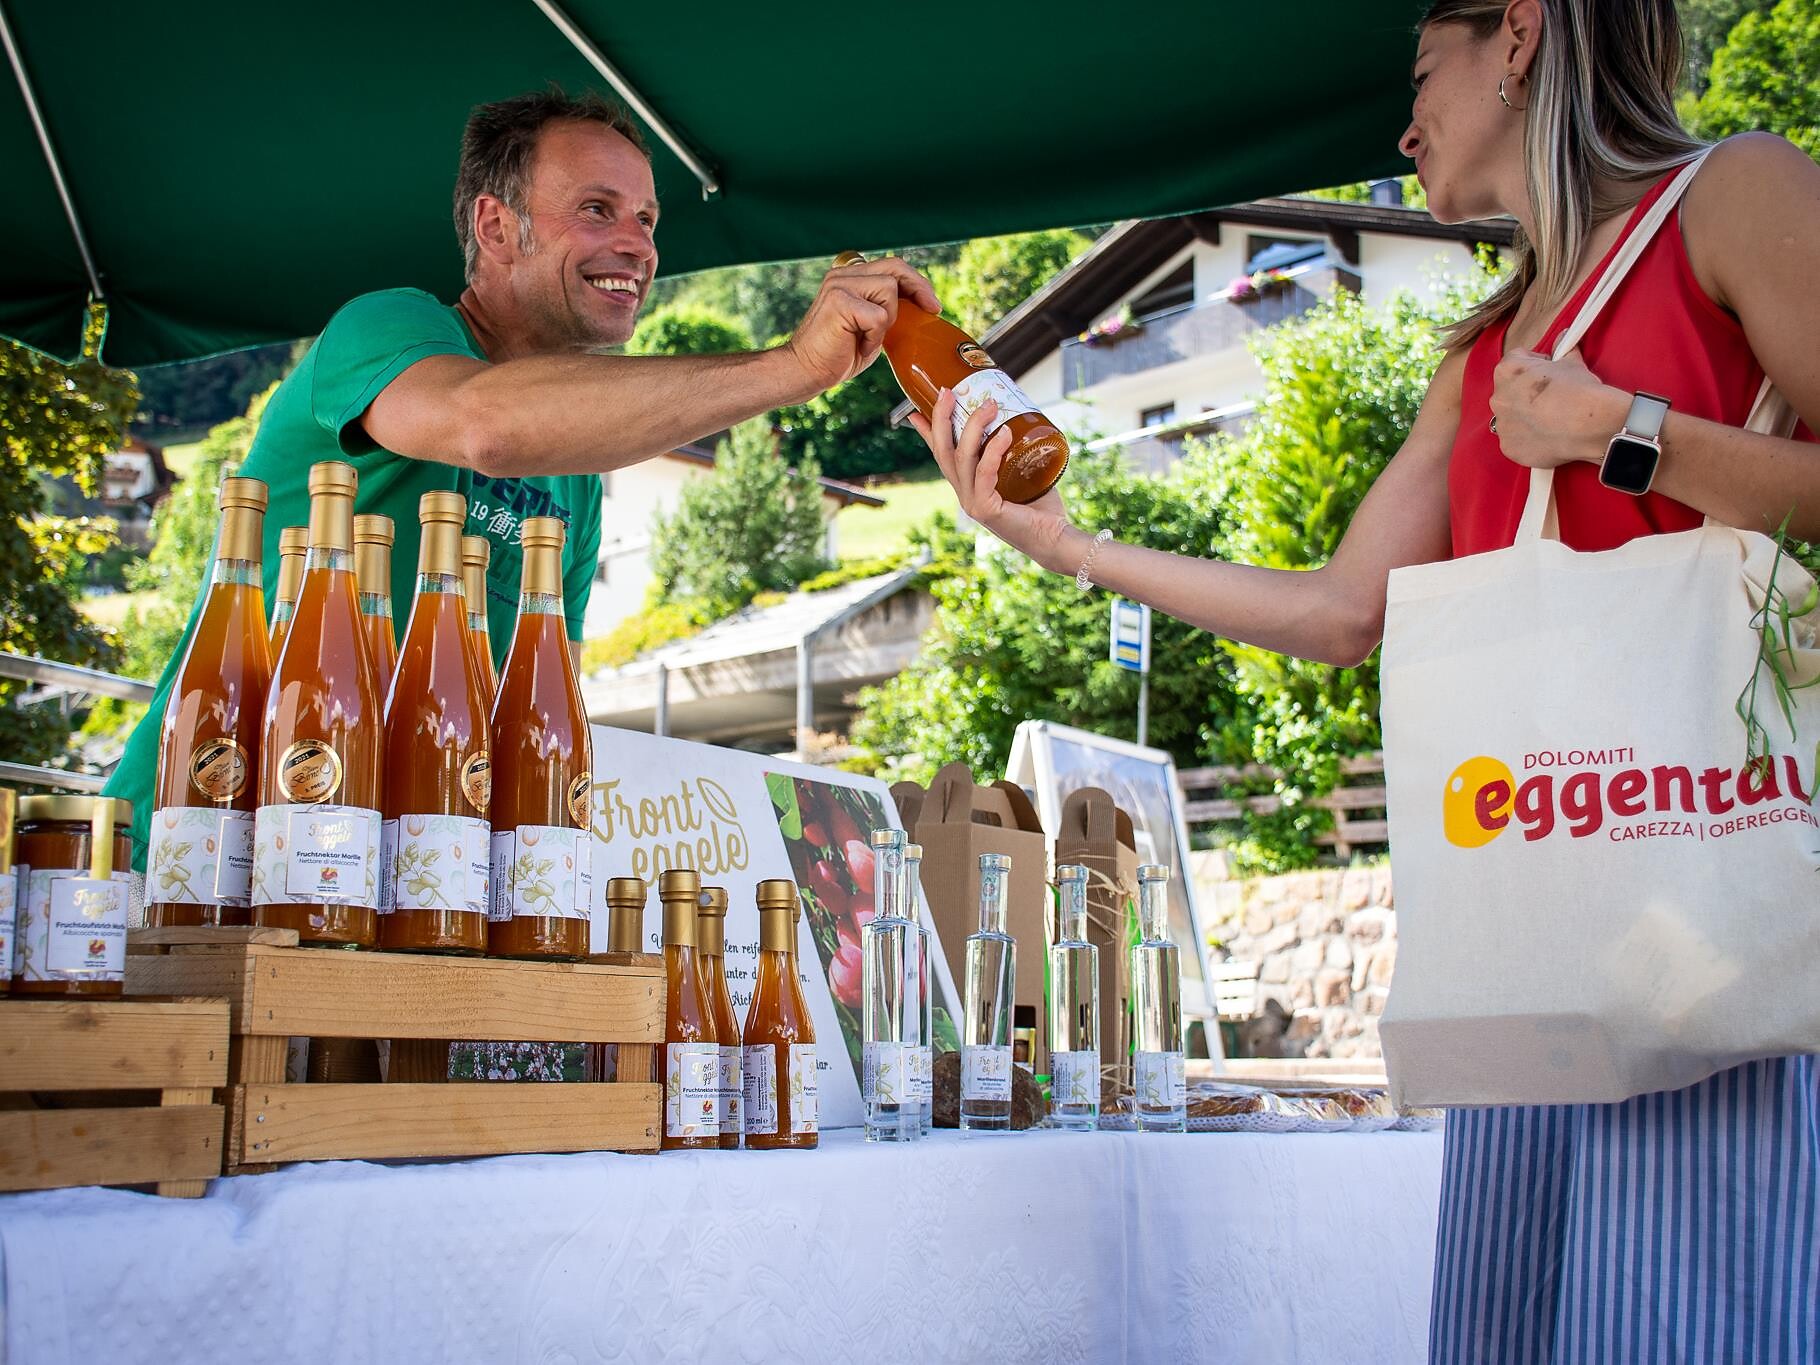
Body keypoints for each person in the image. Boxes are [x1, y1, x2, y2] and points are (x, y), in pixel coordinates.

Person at [918, 1, 1820, 1358]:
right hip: (1541, 926)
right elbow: (1345, 612)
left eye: (1418, 71)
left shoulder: (1736, 190)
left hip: (1710, 907)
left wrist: (1621, 434)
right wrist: (1059, 544)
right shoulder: (1488, 344)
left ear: (1518, 34)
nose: (1401, 126)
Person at [107, 88, 939, 868]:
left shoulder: (579, 480)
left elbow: (540, 713)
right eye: (596, 209)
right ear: (496, 227)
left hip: (389, 878)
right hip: (194, 849)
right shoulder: (386, 325)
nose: (640, 245)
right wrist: (794, 367)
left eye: (648, 219)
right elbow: (486, 425)